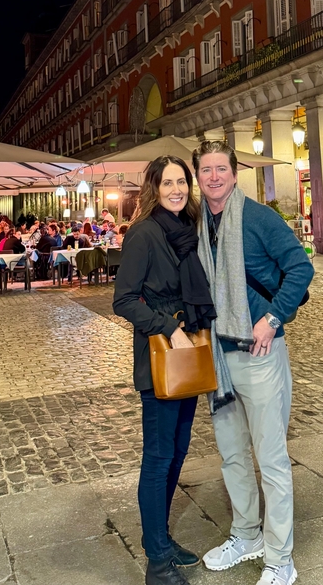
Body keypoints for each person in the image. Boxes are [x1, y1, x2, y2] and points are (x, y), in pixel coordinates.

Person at [193, 141, 314, 585]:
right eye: (206, 170)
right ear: (198, 176)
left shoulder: (260, 218)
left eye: (221, 168)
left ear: (234, 172)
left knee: (272, 458)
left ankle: (281, 558)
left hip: (259, 353)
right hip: (218, 358)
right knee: (232, 456)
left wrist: (272, 317)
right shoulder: (198, 223)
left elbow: (300, 268)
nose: (214, 177)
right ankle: (246, 535)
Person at [113, 155, 216, 585]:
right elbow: (124, 299)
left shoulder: (184, 232)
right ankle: (156, 560)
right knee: (158, 457)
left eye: (182, 182)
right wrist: (168, 327)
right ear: (153, 187)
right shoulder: (144, 233)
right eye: (168, 183)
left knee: (176, 451)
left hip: (186, 354)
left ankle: (159, 537)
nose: (177, 190)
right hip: (161, 357)